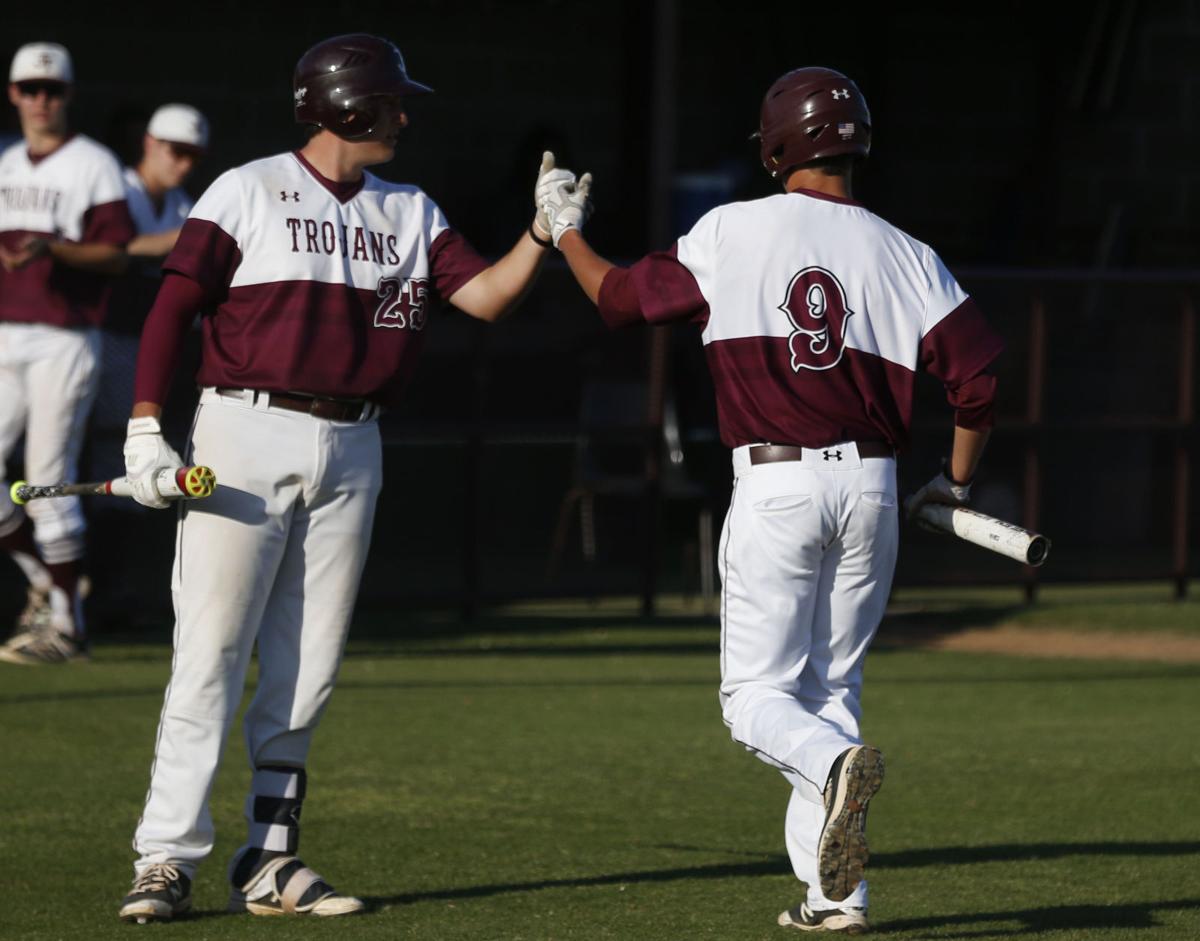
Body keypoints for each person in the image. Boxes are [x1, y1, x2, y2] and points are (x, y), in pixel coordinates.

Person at [116, 33, 572, 924]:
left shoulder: (410, 208)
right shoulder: (245, 188)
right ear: (348, 106)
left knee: (308, 664)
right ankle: (166, 855)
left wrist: (542, 234)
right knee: (209, 652)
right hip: (244, 427)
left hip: (355, 443)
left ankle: (270, 856)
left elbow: (484, 297)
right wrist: (145, 429)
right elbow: (173, 305)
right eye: (392, 101)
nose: (404, 115)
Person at [542, 67, 1003, 934]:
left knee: (755, 698)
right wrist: (960, 481)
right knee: (829, 691)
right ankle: (836, 900)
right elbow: (979, 380)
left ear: (777, 143)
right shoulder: (908, 252)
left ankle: (834, 773)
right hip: (871, 485)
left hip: (778, 479)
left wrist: (564, 228)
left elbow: (616, 300)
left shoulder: (731, 228)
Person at [0, 42, 135, 665]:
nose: (41, 100)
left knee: (48, 478)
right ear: (14, 93)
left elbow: (115, 253)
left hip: (66, 332)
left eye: (51, 90)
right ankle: (46, 583)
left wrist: (52, 248)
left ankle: (68, 626)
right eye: (30, 88)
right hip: (6, 330)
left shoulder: (94, 164)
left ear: (68, 96)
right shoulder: (4, 159)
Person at [90, 105, 209, 485]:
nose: (184, 164)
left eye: (193, 155)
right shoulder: (117, 187)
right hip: (101, 326)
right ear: (150, 143)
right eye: (177, 151)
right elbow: (111, 250)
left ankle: (121, 517)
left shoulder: (181, 204)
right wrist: (179, 240)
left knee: (128, 432)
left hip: (144, 332)